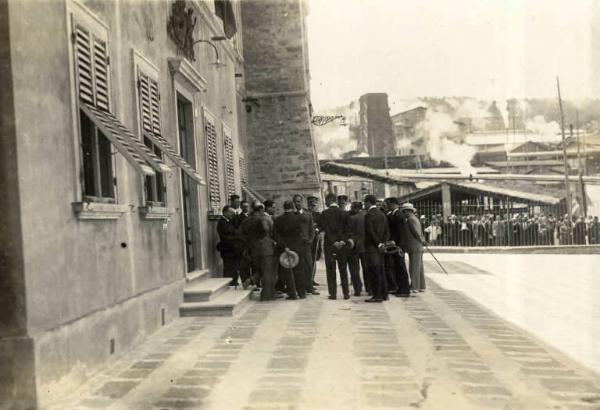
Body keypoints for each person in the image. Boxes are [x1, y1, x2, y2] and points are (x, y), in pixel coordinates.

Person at [240, 202, 278, 301]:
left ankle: (250, 281)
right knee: (268, 271)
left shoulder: (246, 220)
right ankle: (266, 295)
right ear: (261, 210)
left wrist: (248, 244)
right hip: (266, 248)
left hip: (253, 249)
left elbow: (240, 233)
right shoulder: (265, 218)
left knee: (259, 269)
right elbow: (270, 231)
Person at [273, 200, 307, 299]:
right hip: (297, 248)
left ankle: (292, 294)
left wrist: (285, 246)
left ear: (284, 207)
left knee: (287, 271)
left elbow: (276, 235)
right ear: (293, 207)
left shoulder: (278, 220)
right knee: (299, 271)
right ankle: (302, 293)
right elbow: (301, 233)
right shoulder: (299, 218)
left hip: (285, 250)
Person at [319, 193, 350, 300]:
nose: (325, 203)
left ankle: (333, 293)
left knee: (331, 269)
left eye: (326, 201)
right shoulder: (344, 213)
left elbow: (325, 229)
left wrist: (333, 241)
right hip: (342, 246)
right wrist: (341, 241)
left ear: (329, 200)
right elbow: (348, 230)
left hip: (330, 246)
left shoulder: (324, 213)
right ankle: (346, 293)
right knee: (343, 269)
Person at [363, 195, 390, 303]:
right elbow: (387, 231)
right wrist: (383, 243)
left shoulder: (369, 215)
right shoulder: (382, 214)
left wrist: (378, 243)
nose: (364, 204)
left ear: (369, 202)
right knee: (381, 270)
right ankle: (384, 294)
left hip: (371, 247)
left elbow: (370, 231)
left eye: (365, 202)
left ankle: (376, 295)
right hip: (381, 247)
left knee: (373, 271)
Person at [293, 194, 319, 295]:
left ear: (302, 202)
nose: (297, 203)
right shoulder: (292, 215)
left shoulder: (308, 215)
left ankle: (310, 287)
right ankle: (299, 288)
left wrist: (310, 240)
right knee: (298, 266)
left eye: (299, 201)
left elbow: (311, 229)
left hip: (306, 244)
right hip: (295, 245)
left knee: (308, 265)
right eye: (295, 201)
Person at [385, 197, 411, 297]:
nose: (386, 206)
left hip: (398, 246)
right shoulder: (393, 214)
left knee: (401, 267)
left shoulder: (398, 215)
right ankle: (400, 288)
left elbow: (401, 233)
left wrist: (399, 246)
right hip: (395, 245)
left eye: (387, 204)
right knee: (397, 267)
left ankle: (404, 290)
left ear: (392, 204)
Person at [401, 202, 427, 292]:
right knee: (419, 267)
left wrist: (421, 241)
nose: (403, 213)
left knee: (414, 267)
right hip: (417, 245)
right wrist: (422, 241)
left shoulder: (411, 219)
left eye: (404, 211)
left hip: (414, 245)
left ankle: (414, 286)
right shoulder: (415, 218)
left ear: (408, 211)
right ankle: (421, 286)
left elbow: (416, 232)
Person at [345, 201, 367, 296]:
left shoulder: (351, 218)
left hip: (353, 247)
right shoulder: (366, 216)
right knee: (367, 268)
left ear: (355, 208)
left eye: (352, 207)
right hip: (365, 246)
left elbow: (348, 232)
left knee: (354, 269)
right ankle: (369, 288)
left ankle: (357, 289)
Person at [216, 205, 242, 286]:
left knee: (234, 266)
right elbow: (229, 233)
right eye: (231, 212)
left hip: (232, 248)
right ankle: (229, 283)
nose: (232, 214)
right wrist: (236, 236)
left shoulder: (229, 221)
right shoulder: (222, 222)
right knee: (229, 266)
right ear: (225, 212)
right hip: (227, 248)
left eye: (233, 213)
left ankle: (234, 281)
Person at [307, 195, 322, 286]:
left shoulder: (318, 215)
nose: (312, 206)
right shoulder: (305, 213)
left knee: (314, 258)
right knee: (308, 259)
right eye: (310, 204)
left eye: (314, 204)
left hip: (315, 239)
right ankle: (308, 279)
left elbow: (321, 225)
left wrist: (318, 229)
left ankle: (312, 278)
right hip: (308, 240)